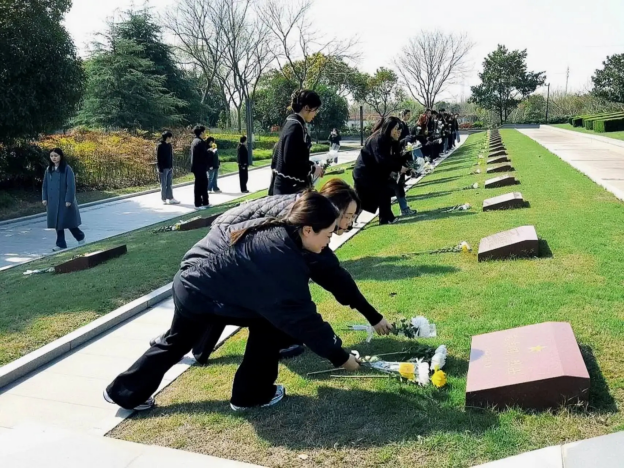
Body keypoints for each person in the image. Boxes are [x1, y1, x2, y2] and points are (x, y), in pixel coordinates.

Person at [104, 192, 361, 412]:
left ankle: (122, 392)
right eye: (328, 234)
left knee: (177, 341)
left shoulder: (281, 233)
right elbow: (304, 318)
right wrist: (341, 357)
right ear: (308, 229)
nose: (329, 241)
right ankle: (251, 396)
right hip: (204, 293)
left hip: (189, 282)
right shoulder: (281, 257)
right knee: (270, 324)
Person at [150, 178, 392, 364]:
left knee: (219, 300)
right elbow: (332, 281)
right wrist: (370, 321)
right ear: (331, 209)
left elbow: (331, 278)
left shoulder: (308, 214)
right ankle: (187, 346)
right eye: (348, 216)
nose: (349, 224)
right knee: (222, 300)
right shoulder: (304, 224)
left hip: (226, 249)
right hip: (226, 241)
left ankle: (191, 346)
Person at [353, 117, 409, 226]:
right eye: (396, 129)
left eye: (399, 129)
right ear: (389, 128)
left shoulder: (388, 140)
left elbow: (392, 158)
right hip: (364, 173)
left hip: (375, 173)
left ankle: (386, 219)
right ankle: (349, 219)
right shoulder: (377, 139)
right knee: (371, 196)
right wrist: (399, 167)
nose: (398, 132)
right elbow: (382, 159)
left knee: (382, 193)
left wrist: (404, 165)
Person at [269, 90, 324, 195]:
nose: (315, 113)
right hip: (288, 190)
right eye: (315, 110)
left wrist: (313, 166)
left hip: (286, 186)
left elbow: (293, 156)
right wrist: (312, 169)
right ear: (306, 108)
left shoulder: (292, 123)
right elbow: (290, 160)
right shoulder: (295, 127)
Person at [42, 148, 86, 251]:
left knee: (68, 222)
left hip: (64, 200)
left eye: (56, 156)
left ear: (60, 156)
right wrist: (44, 198)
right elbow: (45, 185)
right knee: (58, 223)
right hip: (53, 201)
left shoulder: (67, 169)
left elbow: (71, 186)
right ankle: (61, 244)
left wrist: (69, 200)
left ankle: (80, 236)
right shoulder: (49, 169)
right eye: (52, 156)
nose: (54, 158)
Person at [156, 131, 180, 205]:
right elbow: (158, 158)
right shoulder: (160, 146)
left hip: (169, 167)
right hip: (163, 168)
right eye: (170, 137)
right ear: (167, 137)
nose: (171, 139)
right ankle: (163, 199)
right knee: (163, 184)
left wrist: (172, 166)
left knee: (169, 184)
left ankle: (170, 198)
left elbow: (171, 156)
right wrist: (160, 168)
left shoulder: (169, 145)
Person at [190, 126, 210, 209]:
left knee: (203, 184)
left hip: (198, 167)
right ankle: (198, 203)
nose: (205, 133)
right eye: (204, 132)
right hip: (199, 167)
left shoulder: (196, 141)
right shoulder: (199, 142)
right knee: (199, 185)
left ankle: (205, 202)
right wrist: (210, 152)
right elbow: (202, 156)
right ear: (201, 132)